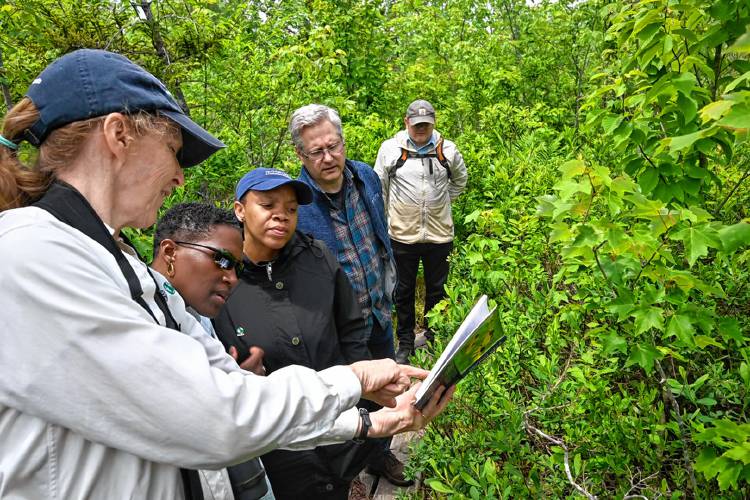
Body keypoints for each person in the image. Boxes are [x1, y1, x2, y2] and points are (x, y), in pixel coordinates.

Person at [0, 49, 453, 499]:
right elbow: (214, 415)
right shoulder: (34, 256)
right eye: (175, 151)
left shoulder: (117, 259)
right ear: (118, 135)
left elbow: (237, 392)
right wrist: (354, 380)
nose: (179, 177)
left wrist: (368, 421)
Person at [214, 168, 377, 499]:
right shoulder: (221, 278)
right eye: (268, 205)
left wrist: (362, 399)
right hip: (275, 450)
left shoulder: (317, 258)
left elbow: (352, 328)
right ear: (240, 210)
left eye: (291, 209)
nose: (281, 216)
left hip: (338, 426)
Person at [290, 104, 409, 487]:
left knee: (387, 388)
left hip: (378, 309)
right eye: (316, 152)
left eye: (334, 145)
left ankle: (380, 456)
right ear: (300, 155)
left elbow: (378, 235)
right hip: (338, 324)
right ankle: (346, 471)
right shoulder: (296, 201)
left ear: (342, 141)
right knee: (347, 395)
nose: (329, 157)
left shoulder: (365, 177)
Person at [152, 202, 271, 500]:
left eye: (237, 267)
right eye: (221, 260)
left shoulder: (199, 314)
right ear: (170, 253)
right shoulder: (139, 323)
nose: (232, 277)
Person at [374, 99, 468, 364]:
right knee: (402, 290)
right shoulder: (390, 150)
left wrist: (442, 203)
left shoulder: (446, 150)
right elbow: (378, 186)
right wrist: (385, 218)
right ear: (407, 122)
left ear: (433, 123)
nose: (421, 129)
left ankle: (431, 337)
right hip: (401, 234)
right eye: (416, 124)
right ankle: (404, 342)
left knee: (437, 290)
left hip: (439, 235)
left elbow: (460, 180)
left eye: (426, 124)